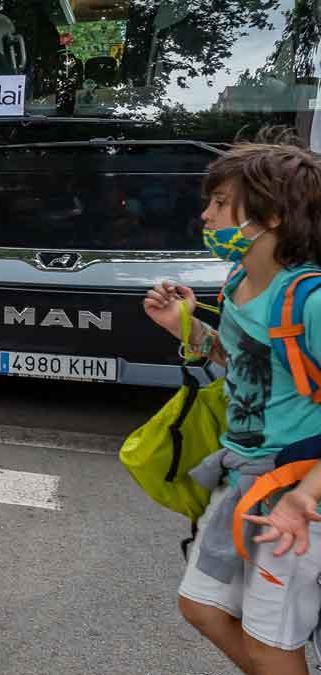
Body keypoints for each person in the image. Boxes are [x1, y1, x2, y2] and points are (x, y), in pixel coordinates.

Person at [143, 143, 321, 675]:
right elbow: (244, 362)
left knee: (271, 644)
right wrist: (184, 327)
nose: (206, 215)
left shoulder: (310, 300)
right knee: (202, 605)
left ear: (270, 217)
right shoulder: (241, 283)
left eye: (221, 202)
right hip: (245, 480)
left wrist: (304, 497)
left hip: (296, 497)